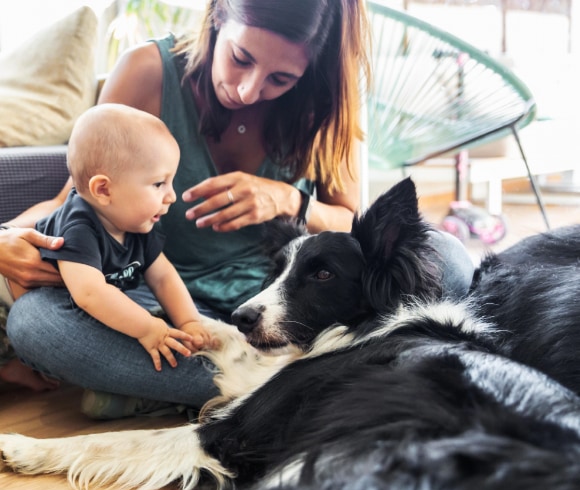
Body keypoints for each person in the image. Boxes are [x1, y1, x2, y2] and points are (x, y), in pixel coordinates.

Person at [0, 0, 474, 418]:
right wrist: (3, 238)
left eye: (281, 78)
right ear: (218, 15)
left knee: (445, 254)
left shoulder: (327, 105)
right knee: (36, 323)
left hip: (291, 303)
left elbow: (354, 229)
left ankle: (203, 392)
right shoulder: (148, 71)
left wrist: (288, 199)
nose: (249, 90)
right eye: (240, 58)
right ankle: (312, 388)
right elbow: (75, 199)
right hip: (165, 304)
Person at [0, 103, 217, 391]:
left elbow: (163, 276)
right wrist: (147, 328)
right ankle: (10, 367)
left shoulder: (138, 222)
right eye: (158, 184)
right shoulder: (79, 225)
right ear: (104, 190)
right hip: (8, 299)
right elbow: (90, 293)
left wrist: (189, 321)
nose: (171, 196)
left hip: (65, 299)